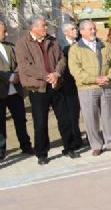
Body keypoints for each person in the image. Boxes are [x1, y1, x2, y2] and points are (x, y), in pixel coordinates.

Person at [15, 16, 81, 164]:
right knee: (40, 123)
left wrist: (56, 74)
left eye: (46, 25)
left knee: (65, 119)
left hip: (56, 85)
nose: (46, 28)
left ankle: (69, 147)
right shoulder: (22, 44)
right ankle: (41, 153)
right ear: (33, 28)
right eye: (43, 26)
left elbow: (61, 59)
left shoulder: (52, 40)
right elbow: (25, 67)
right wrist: (46, 76)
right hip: (37, 88)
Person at [69, 20, 111, 156]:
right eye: (90, 29)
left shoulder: (105, 45)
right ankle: (96, 145)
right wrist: (94, 79)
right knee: (90, 118)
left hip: (106, 85)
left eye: (94, 28)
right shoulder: (75, 49)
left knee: (108, 115)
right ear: (82, 31)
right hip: (87, 88)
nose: (93, 31)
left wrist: (109, 77)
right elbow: (76, 71)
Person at [0, 22, 33, 159]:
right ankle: (1, 150)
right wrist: (9, 77)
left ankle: (26, 146)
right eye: (4, 31)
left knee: (20, 119)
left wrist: (17, 75)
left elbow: (21, 62)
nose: (7, 34)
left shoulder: (11, 47)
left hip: (15, 91)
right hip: (1, 92)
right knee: (0, 123)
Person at [61, 22, 85, 150]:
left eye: (76, 28)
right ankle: (76, 139)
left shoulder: (82, 43)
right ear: (65, 32)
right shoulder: (61, 46)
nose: (75, 30)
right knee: (73, 113)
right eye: (72, 29)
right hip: (69, 84)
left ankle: (92, 136)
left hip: (84, 81)